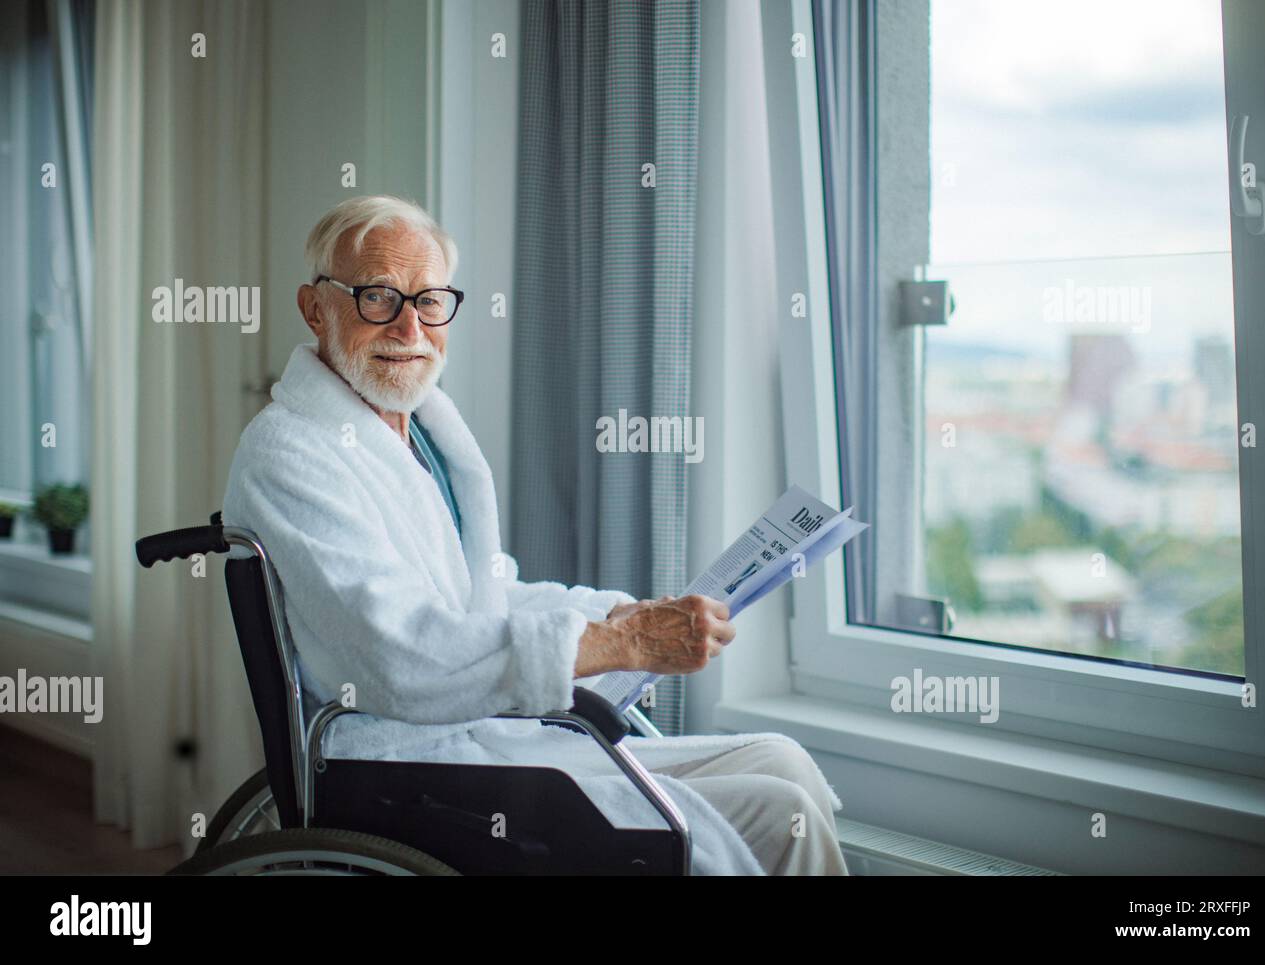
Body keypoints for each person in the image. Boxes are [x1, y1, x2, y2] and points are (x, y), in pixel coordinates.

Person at [222, 194, 848, 875]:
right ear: (316, 308)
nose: (410, 326)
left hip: (481, 736)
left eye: (430, 300)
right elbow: (404, 658)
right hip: (400, 762)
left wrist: (615, 615)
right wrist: (623, 645)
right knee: (779, 822)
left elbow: (486, 598)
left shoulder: (422, 432)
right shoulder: (290, 453)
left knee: (782, 763)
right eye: (378, 297)